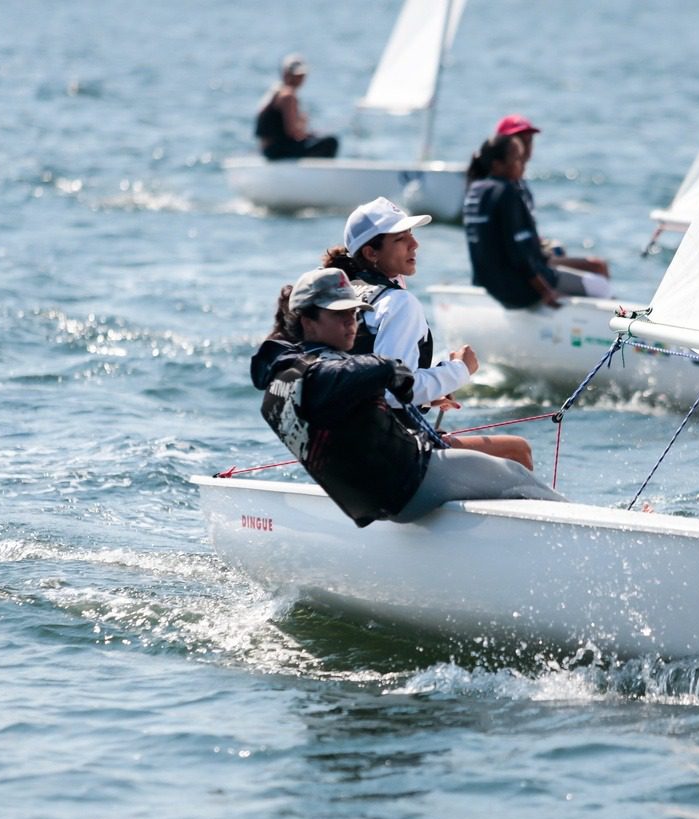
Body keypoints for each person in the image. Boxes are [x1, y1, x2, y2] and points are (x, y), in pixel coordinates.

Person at [252, 268, 565, 527]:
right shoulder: (322, 376)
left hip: (374, 499)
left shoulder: (284, 378)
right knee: (517, 476)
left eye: (355, 313)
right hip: (413, 483)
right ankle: (580, 539)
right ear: (308, 321)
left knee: (508, 458)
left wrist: (416, 394)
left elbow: (344, 412)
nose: (352, 323)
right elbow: (352, 378)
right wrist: (388, 368)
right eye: (339, 315)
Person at [321, 197, 536, 469]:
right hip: (390, 449)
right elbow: (394, 391)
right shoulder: (398, 303)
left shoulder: (346, 294)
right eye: (401, 239)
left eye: (411, 234)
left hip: (348, 445)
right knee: (518, 451)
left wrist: (429, 395)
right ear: (371, 253)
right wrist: (460, 370)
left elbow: (368, 383)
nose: (415, 244)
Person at [463, 135, 611, 310]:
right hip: (519, 291)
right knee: (601, 286)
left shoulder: (474, 190)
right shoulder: (507, 191)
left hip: (491, 287)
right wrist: (546, 292)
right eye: (517, 158)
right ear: (497, 165)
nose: (523, 163)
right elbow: (521, 255)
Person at [254, 53, 340, 160]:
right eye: (296, 75)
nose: (299, 79)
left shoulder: (276, 92)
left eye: (301, 75)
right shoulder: (288, 95)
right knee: (331, 142)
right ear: (285, 74)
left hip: (269, 150)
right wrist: (305, 129)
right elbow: (292, 132)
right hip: (277, 150)